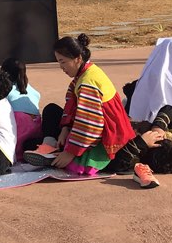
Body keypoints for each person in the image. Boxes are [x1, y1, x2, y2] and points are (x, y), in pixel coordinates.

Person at [28, 34, 134, 176]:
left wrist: (71, 152)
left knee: (36, 147)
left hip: (107, 136)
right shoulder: (85, 72)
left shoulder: (87, 82)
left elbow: (91, 124)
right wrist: (65, 128)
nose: (61, 67)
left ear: (78, 58)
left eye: (63, 62)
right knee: (51, 110)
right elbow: (71, 105)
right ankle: (52, 148)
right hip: (92, 126)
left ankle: (54, 152)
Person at [107, 104, 172, 181]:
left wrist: (141, 143)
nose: (153, 135)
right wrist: (158, 127)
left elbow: (116, 165)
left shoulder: (132, 159)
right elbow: (171, 110)